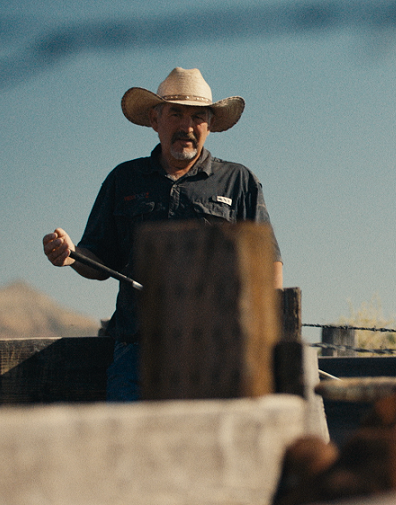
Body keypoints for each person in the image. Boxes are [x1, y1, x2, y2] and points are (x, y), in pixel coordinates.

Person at [42, 67, 283, 401]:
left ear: (210, 124)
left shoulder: (238, 182)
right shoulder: (123, 180)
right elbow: (96, 259)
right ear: (155, 120)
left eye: (198, 116)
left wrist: (262, 341)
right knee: (129, 449)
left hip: (216, 356)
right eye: (175, 114)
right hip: (136, 354)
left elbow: (268, 264)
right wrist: (71, 256)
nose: (187, 127)